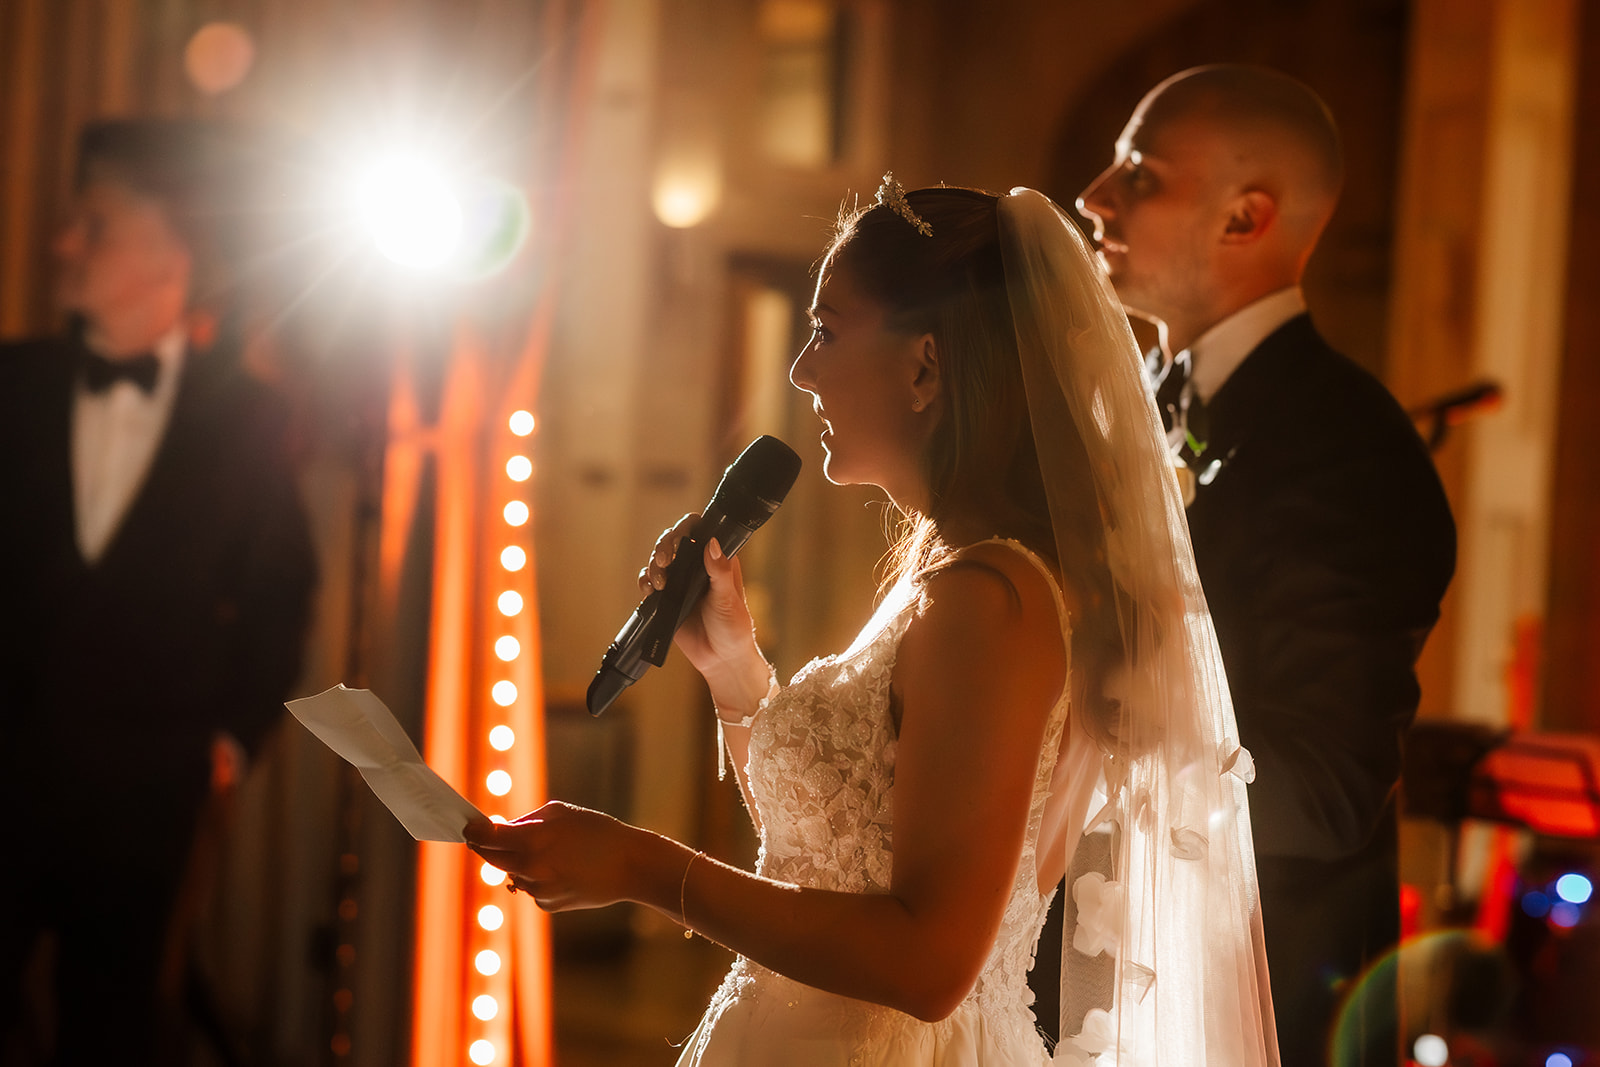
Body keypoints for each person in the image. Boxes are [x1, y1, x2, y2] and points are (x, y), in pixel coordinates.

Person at [468, 179, 1277, 1065]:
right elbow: (832, 850)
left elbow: (931, 961)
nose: (800, 369)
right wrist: (734, 670)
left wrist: (643, 869)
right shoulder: (956, 574)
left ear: (926, 365)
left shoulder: (992, 602)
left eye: (826, 331)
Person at [1075, 66, 1456, 1065]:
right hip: (1106, 980)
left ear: (1246, 216)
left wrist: (1071, 750)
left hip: (1255, 1001)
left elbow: (1325, 790)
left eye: (1138, 175)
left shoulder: (1347, 447)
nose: (1094, 197)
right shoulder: (1139, 405)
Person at [0, 119, 317, 1065]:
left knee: (118, 1026)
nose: (65, 242)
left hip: (148, 795)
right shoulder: (10, 386)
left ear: (174, 249)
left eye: (92, 224)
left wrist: (228, 734)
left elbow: (281, 588)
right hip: (2, 773)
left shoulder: (248, 416)